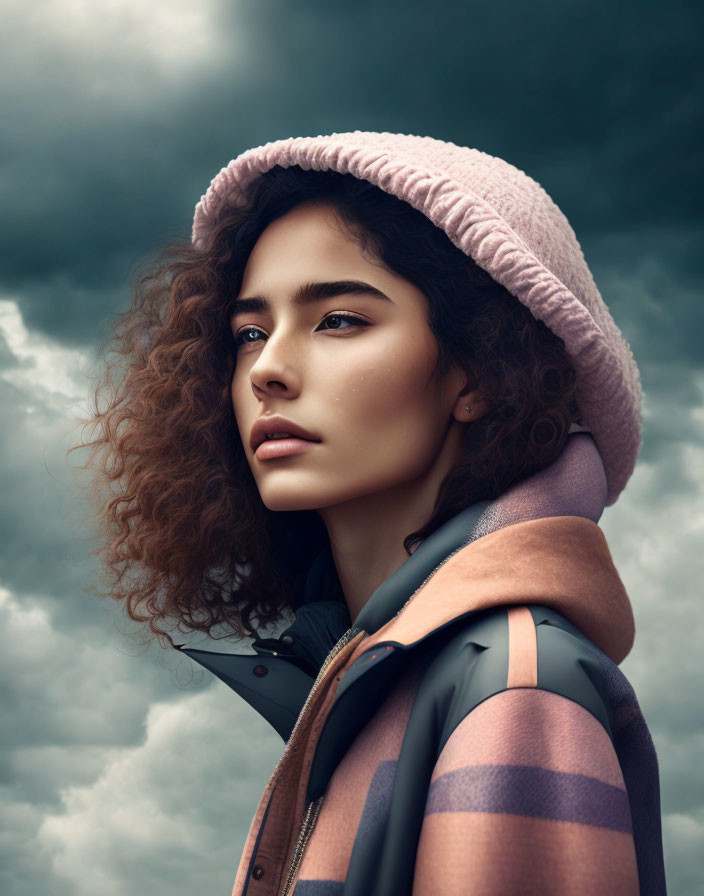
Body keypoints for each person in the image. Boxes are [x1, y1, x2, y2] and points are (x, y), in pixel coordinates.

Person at [77, 132, 667, 895]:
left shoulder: (516, 685)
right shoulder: (383, 675)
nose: (270, 371)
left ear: (480, 371)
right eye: (249, 334)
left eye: (340, 321)